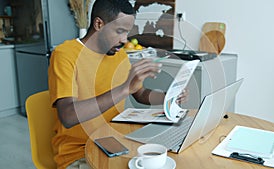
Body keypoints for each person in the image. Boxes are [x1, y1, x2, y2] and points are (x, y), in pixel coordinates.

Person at [48, 0, 188, 168]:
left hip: (117, 143)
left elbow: (140, 93)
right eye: (120, 31)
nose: (124, 40)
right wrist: (123, 89)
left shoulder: (119, 56)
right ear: (99, 24)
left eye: (127, 32)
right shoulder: (65, 54)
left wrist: (168, 97)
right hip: (79, 152)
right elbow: (68, 116)